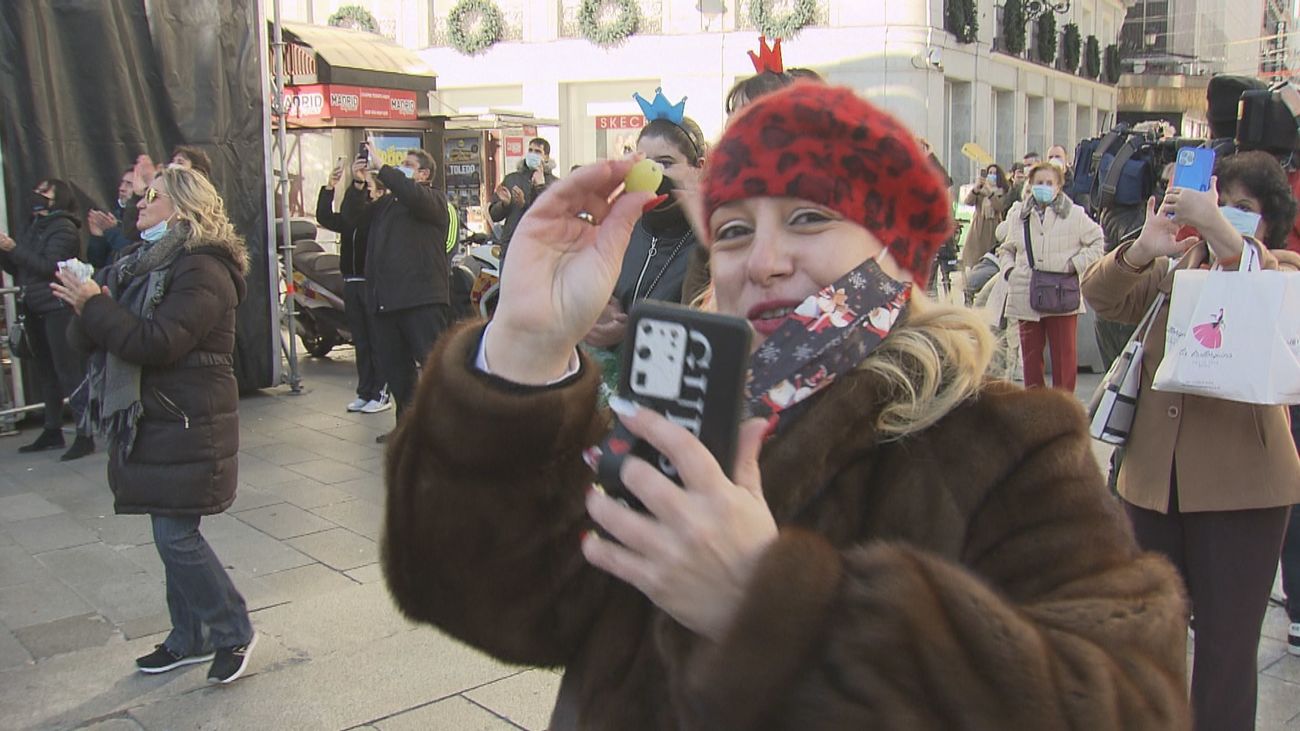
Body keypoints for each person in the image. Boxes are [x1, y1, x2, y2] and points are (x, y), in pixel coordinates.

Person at [381, 84, 1189, 729]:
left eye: (808, 217)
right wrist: (524, 344)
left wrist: (773, 606)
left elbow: (1131, 700)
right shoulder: (687, 402)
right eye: (733, 231)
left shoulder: (1008, 441)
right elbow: (494, 596)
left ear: (891, 249)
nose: (762, 261)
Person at [1081, 150, 1300, 731]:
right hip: (1152, 484)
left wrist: (1218, 226)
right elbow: (1100, 296)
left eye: (1241, 207)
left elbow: (1256, 287)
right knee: (1149, 643)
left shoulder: (1279, 270)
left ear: (1269, 218)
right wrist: (1141, 247)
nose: (1220, 212)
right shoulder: (1175, 268)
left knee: (1226, 655)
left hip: (1245, 495)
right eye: (1216, 199)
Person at [50, 167, 257, 684]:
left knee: (175, 536)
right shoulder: (137, 263)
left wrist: (95, 305)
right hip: (154, 419)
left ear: (183, 208)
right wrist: (87, 303)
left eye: (152, 196)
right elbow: (93, 340)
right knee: (167, 526)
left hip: (189, 418)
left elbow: (157, 342)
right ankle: (188, 637)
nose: (139, 204)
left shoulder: (204, 269)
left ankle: (232, 628)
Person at [583, 110, 707, 393]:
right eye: (643, 162)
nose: (653, 174)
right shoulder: (620, 226)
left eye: (666, 163)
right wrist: (595, 315)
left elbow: (710, 333)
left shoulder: (710, 242)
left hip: (671, 399)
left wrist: (632, 334)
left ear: (698, 167)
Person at [361, 143, 452, 441]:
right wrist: (358, 183)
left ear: (424, 174)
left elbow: (410, 193)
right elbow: (352, 221)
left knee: (433, 366)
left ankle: (446, 428)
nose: (402, 167)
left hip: (422, 300)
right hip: (388, 302)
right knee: (398, 372)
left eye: (408, 164)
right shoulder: (388, 205)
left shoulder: (433, 200)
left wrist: (384, 169)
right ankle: (408, 426)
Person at [0, 178, 95, 460]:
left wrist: (12, 248)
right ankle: (52, 428)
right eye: (37, 190)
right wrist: (6, 252)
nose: (37, 196)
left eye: (45, 192)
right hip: (35, 305)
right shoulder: (34, 227)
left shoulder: (64, 229)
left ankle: (85, 432)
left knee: (69, 371)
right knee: (46, 370)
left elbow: (47, 267)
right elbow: (20, 266)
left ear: (59, 198)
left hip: (57, 307)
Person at [996, 162, 1103, 393]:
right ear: (1030, 185)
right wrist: (1010, 272)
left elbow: (1097, 241)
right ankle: (1036, 410)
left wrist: (1074, 265)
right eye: (1038, 183)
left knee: (1064, 357)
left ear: (1059, 186)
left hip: (1061, 292)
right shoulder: (1019, 216)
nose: (1043, 187)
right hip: (1026, 291)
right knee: (1031, 361)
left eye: (1049, 183)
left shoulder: (1075, 215)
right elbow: (1006, 248)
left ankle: (1064, 410)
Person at [316, 158, 390, 414]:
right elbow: (326, 216)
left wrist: (365, 181)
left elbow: (361, 210)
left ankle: (381, 392)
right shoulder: (353, 220)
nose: (364, 190)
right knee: (360, 339)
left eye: (368, 187)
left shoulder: (381, 216)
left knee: (376, 339)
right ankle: (365, 390)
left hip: (373, 283)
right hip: (351, 281)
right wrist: (331, 186)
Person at [489, 138, 557, 253]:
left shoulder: (554, 184)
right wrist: (504, 205)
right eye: (530, 150)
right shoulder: (512, 179)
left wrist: (540, 187)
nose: (532, 154)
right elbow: (494, 215)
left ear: (546, 157)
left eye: (537, 151)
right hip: (511, 247)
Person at [960, 164, 1008, 273]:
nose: (991, 175)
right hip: (978, 227)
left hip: (994, 227)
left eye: (994, 173)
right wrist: (976, 189)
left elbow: (1000, 207)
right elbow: (968, 202)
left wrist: (990, 194)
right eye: (989, 173)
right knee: (974, 258)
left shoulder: (1002, 191)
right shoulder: (980, 190)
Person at [87, 167, 137, 268]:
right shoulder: (117, 216)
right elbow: (97, 262)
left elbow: (131, 253)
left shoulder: (146, 219)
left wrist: (113, 230)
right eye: (122, 183)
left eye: (129, 184)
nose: (121, 188)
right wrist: (97, 236)